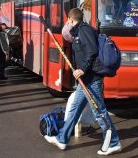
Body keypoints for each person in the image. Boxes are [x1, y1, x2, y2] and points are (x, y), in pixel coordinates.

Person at [44, 8, 121, 155]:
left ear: (71, 20)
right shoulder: (79, 31)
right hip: (85, 80)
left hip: (92, 79)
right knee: (74, 109)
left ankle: (114, 142)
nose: (67, 23)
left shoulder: (84, 30)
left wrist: (82, 69)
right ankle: (61, 139)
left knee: (99, 112)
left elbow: (92, 51)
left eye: (68, 20)